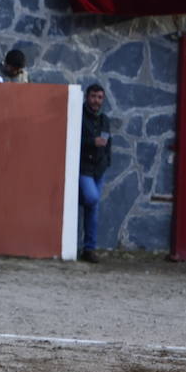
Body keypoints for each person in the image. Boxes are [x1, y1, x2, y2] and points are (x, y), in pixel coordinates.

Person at [78, 83, 112, 262]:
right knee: (92, 199)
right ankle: (78, 198)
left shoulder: (105, 119)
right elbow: (74, 138)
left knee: (94, 207)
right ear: (87, 97)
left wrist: (107, 161)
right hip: (83, 166)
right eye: (93, 96)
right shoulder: (79, 115)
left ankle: (89, 248)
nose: (96, 101)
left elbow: (108, 142)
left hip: (99, 168)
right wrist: (92, 142)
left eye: (99, 97)